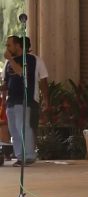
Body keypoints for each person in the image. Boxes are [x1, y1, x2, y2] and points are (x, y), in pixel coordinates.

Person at [2, 36, 49, 166]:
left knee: (23, 127)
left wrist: (46, 99)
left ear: (18, 46)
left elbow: (21, 73)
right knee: (14, 129)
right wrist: (4, 97)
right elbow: (6, 81)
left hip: (25, 99)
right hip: (11, 100)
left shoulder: (32, 60)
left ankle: (28, 156)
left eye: (9, 45)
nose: (7, 48)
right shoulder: (7, 63)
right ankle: (19, 156)